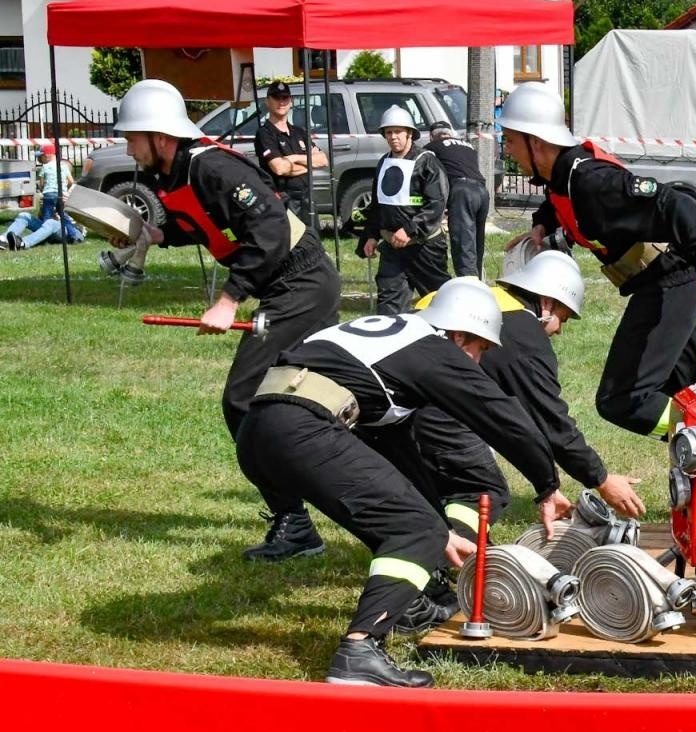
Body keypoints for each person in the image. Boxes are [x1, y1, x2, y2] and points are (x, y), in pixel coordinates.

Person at [235, 277, 571, 687]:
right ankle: (359, 651)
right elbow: (502, 416)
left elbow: (395, 457)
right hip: (303, 427)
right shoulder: (431, 347)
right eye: (479, 349)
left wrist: (441, 531)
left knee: (412, 523)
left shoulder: (386, 343)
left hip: (262, 427)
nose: (478, 363)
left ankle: (406, 604)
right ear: (459, 334)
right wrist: (546, 485)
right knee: (415, 529)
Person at [109, 78, 342, 561]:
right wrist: (154, 234)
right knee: (299, 400)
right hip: (282, 285)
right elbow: (202, 222)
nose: (127, 144)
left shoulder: (211, 166)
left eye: (133, 135)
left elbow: (271, 228)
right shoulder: (170, 175)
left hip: (302, 283)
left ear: (161, 136)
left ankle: (296, 523)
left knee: (244, 400)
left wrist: (230, 299)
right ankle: (301, 514)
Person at [500, 81, 696, 438]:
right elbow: (556, 203)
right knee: (682, 396)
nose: (507, 150)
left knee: (621, 399)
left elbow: (678, 204)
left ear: (537, 143)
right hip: (660, 283)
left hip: (672, 281)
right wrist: (541, 225)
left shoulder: (593, 181)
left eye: (511, 140)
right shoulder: (561, 177)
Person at [407, 249, 646, 563]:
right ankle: (440, 559)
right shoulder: (523, 336)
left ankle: (443, 553)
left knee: (437, 486)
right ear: (546, 303)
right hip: (430, 407)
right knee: (481, 488)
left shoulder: (487, 300)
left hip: (395, 400)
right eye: (563, 316)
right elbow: (549, 422)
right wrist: (601, 480)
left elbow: (512, 422)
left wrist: (546, 485)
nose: (560, 329)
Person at [360, 105, 450, 313]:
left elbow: (436, 203)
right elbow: (378, 204)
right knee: (389, 305)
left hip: (425, 248)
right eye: (389, 133)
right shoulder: (384, 162)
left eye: (398, 132)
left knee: (440, 302)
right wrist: (371, 235)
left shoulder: (427, 162)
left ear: (409, 133)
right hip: (393, 248)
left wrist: (410, 230)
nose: (393, 137)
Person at [253, 80, 325, 230]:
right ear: (268, 102)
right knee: (290, 246)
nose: (281, 102)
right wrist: (309, 165)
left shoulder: (299, 132)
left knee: (313, 243)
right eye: (276, 98)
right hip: (283, 199)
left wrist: (294, 158)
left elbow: (323, 160)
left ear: (291, 102)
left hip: (307, 197)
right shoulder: (265, 134)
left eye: (285, 98)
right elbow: (279, 168)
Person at [424, 120, 490, 279]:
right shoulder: (467, 145)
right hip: (482, 192)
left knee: (463, 243)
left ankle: (467, 285)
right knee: (476, 241)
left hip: (462, 191)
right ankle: (478, 279)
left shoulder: (433, 147)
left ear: (432, 137)